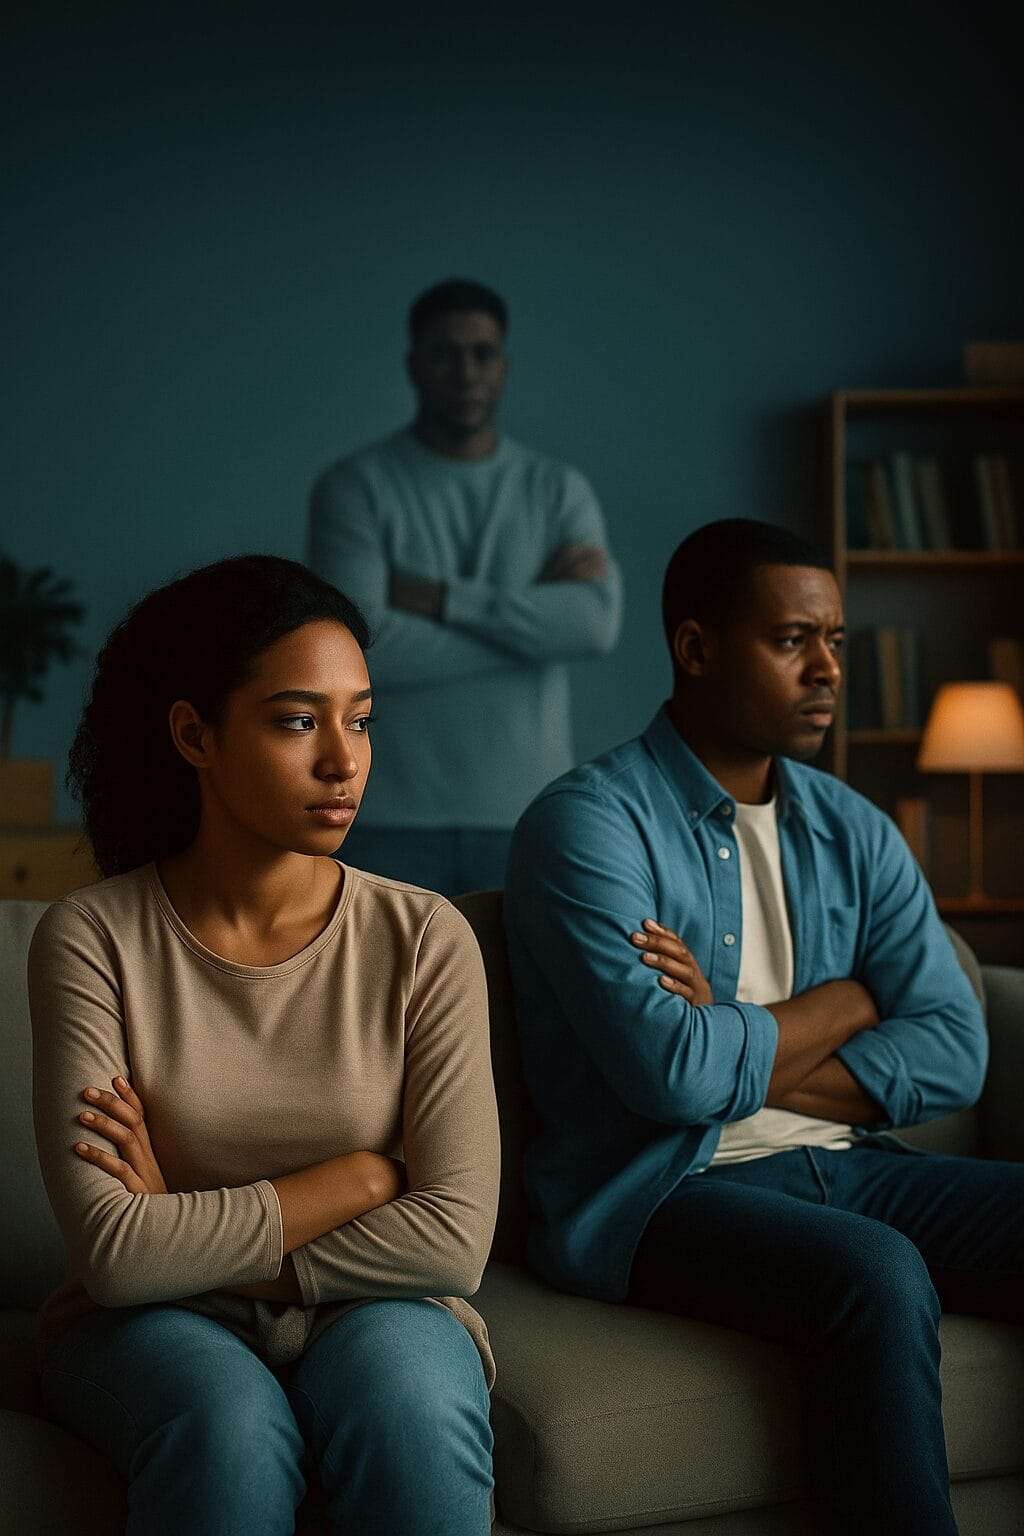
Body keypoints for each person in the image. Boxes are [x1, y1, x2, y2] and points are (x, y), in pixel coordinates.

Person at [503, 518, 1024, 1536]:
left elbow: (956, 1047)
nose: (827, 669)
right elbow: (671, 1080)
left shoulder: (851, 828)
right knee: (874, 1271)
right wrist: (854, 999)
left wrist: (731, 1030)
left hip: (846, 1160)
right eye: (790, 641)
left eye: (833, 639)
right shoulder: (589, 825)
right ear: (695, 649)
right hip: (662, 1191)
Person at [29, 555, 500, 1536]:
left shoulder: (424, 938)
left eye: (359, 719)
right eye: (297, 721)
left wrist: (188, 1232)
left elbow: (453, 1240)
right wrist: (359, 1180)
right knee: (226, 1431)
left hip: (387, 1308)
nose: (344, 759)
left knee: (413, 1416)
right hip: (150, 1324)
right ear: (195, 735)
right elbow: (116, 1256)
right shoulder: (92, 939)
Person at [308, 277, 622, 897]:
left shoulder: (558, 489)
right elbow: (359, 653)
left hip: (529, 813)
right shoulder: (355, 486)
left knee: (525, 997)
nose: (465, 371)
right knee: (386, 998)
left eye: (483, 354)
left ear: (504, 367)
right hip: (390, 816)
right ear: (413, 366)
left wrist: (444, 601)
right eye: (445, 353)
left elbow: (592, 626)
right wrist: (531, 632)